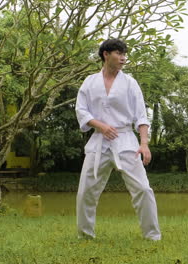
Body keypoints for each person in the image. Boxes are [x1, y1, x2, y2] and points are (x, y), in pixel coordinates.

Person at [75, 38, 161, 241]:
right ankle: (85, 235)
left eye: (124, 54)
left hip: (125, 139)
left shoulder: (130, 83)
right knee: (86, 191)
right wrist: (100, 125)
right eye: (119, 53)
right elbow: (81, 110)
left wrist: (144, 144)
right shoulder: (90, 82)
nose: (123, 58)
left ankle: (152, 236)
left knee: (143, 188)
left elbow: (141, 115)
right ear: (106, 54)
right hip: (98, 140)